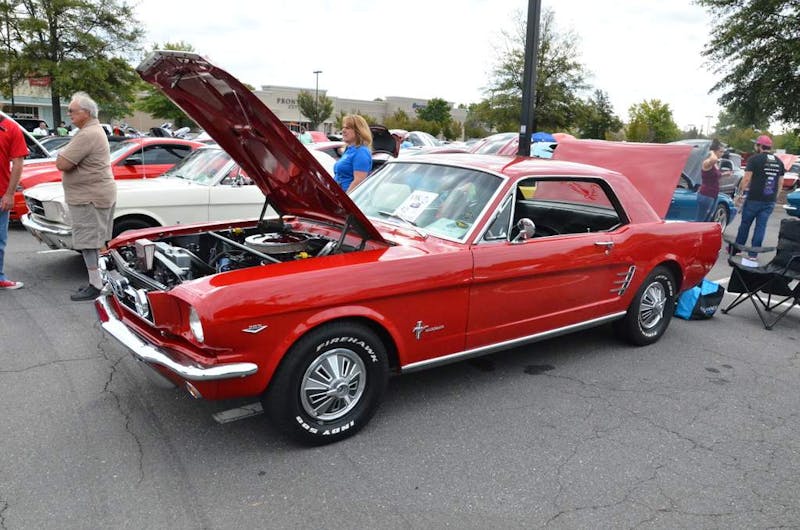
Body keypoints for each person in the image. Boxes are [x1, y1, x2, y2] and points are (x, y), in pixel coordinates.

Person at [56, 92, 117, 301]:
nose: (69, 113)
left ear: (86, 112)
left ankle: (97, 285)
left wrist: (61, 153)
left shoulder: (88, 134)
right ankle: (99, 282)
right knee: (95, 241)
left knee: (89, 243)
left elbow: (62, 163)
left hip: (89, 198)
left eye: (72, 110)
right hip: (94, 195)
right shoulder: (92, 131)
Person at [734, 134, 785, 259]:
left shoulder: (754, 159)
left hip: (753, 199)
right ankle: (753, 254)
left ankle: (738, 249)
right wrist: (775, 197)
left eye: (756, 144)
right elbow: (781, 182)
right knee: (761, 227)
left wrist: (739, 194)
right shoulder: (779, 162)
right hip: (769, 200)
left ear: (760, 146)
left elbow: (746, 179)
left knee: (745, 224)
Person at [0, 114, 30, 290]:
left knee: (0, 240)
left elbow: (18, 163)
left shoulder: (11, 128)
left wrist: (10, 194)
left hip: (1, 193)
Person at [333, 114, 372, 192]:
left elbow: (359, 181)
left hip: (348, 199)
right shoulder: (349, 150)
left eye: (347, 128)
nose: (343, 130)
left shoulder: (361, 152)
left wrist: (344, 201)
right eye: (343, 127)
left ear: (358, 131)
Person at [695, 138, 725, 221]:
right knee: (700, 220)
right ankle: (698, 233)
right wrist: (711, 152)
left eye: (723, 152)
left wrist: (725, 174)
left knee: (707, 219)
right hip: (706, 195)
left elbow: (713, 176)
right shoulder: (708, 162)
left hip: (713, 195)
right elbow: (714, 159)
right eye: (720, 152)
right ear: (715, 151)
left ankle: (702, 233)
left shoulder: (715, 164)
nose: (722, 154)